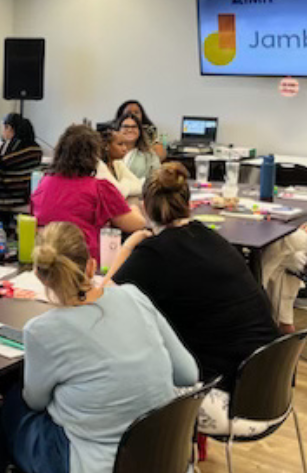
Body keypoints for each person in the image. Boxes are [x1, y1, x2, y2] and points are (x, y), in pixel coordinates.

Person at [0, 221, 198, 473]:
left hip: (97, 471)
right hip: (164, 455)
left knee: (9, 398)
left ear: (39, 275)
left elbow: (35, 401)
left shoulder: (43, 330)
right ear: (90, 265)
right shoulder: (133, 296)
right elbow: (188, 373)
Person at [104, 163, 280, 435]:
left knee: (125, 380)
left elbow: (103, 302)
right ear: (188, 204)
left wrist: (128, 246)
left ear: (144, 207)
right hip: (269, 390)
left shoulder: (154, 253)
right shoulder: (212, 237)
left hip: (227, 399)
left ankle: (153, 467)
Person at [31, 124, 145, 260]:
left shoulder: (43, 183)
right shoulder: (99, 188)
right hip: (83, 261)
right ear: (94, 156)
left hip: (46, 259)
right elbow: (135, 224)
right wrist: (134, 208)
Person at [0, 114, 43, 228]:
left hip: (8, 196)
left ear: (9, 128)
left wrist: (0, 148)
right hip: (27, 195)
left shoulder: (10, 146)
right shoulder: (36, 148)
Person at [95, 127, 142, 203]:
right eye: (120, 144)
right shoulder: (98, 165)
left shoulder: (117, 163)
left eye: (125, 144)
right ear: (106, 146)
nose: (125, 148)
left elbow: (139, 186)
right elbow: (116, 194)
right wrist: (127, 183)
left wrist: (123, 185)